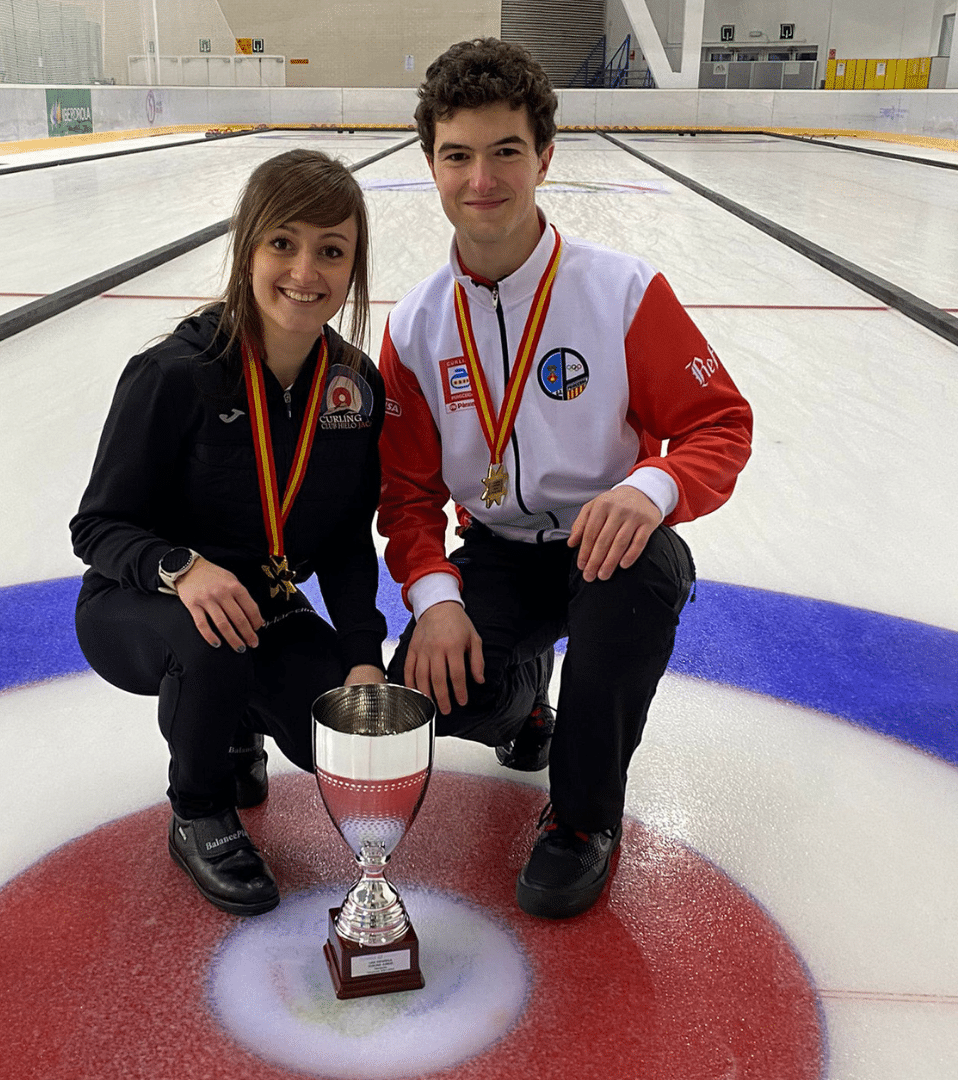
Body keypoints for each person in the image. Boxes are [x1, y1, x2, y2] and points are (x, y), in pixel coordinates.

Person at [378, 39, 753, 919]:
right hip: (499, 551)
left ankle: (584, 822)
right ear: (429, 162)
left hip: (606, 542)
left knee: (637, 585)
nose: (483, 178)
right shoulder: (415, 326)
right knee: (432, 692)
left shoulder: (622, 292)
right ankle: (525, 709)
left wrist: (652, 488)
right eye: (458, 155)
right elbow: (406, 498)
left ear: (545, 157)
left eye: (507, 150)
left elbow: (719, 425)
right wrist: (436, 600)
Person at [71, 149, 387, 917]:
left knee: (335, 743)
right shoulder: (175, 375)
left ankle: (236, 723)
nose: (305, 270)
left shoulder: (352, 388)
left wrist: (360, 660)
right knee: (209, 640)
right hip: (140, 604)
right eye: (283, 242)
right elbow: (97, 526)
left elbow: (346, 540)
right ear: (248, 246)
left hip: (264, 606)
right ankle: (199, 808)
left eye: (331, 250)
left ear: (353, 270)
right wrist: (180, 565)